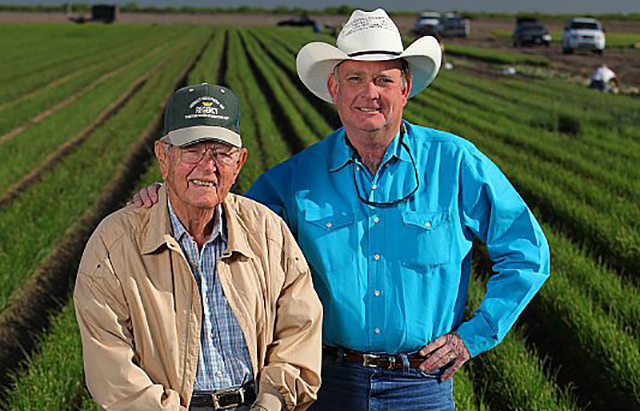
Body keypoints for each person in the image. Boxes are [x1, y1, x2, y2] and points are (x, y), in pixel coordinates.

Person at [134, 9, 550, 410]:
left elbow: (527, 253)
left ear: (405, 89)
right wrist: (170, 193)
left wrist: (473, 336)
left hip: (421, 384)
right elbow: (225, 223)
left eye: (383, 80)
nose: (370, 93)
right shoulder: (295, 177)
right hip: (326, 380)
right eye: (355, 78)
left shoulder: (455, 163)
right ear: (334, 88)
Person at [75, 83, 323, 411]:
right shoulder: (115, 243)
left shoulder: (266, 231)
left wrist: (270, 403)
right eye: (192, 150)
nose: (207, 166)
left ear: (239, 161)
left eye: (221, 152)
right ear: (164, 157)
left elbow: (299, 329)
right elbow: (112, 367)